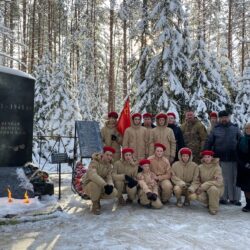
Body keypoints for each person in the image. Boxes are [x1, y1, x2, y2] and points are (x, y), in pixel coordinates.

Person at [204, 110, 242, 205]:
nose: (224, 119)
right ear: (219, 118)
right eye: (222, 117)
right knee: (222, 179)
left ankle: (235, 199)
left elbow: (241, 141)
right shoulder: (215, 129)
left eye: (226, 117)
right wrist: (206, 154)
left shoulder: (235, 128)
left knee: (235, 178)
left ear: (229, 117)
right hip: (219, 158)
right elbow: (209, 142)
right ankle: (223, 198)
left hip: (234, 157)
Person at [82, 146, 118, 215]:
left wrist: (110, 185)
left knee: (114, 192)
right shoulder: (94, 162)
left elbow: (109, 177)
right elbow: (93, 175)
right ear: (103, 154)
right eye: (107, 154)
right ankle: (95, 203)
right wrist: (105, 185)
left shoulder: (109, 166)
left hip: (101, 186)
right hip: (89, 186)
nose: (109, 157)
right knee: (95, 184)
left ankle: (96, 197)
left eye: (110, 155)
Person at [196, 150, 224, 215]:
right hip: (203, 188)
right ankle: (212, 202)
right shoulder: (200, 167)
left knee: (212, 189)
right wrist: (199, 186)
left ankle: (213, 209)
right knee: (195, 194)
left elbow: (219, 182)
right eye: (205, 157)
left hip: (217, 188)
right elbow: (197, 179)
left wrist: (205, 185)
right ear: (203, 158)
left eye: (208, 157)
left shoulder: (217, 167)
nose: (206, 159)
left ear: (212, 158)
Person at [236, 123, 250, 212]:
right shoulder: (241, 139)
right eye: (247, 128)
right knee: (246, 188)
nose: (248, 130)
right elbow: (237, 153)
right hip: (243, 168)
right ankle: (248, 205)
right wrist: (243, 164)